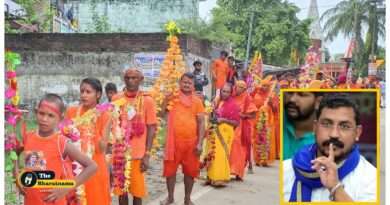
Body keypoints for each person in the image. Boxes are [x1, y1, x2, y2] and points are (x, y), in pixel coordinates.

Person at [284, 93, 377, 202]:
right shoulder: (287, 170)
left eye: (344, 126)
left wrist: (336, 188)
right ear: (315, 128)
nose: (334, 134)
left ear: (357, 133)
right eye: (327, 124)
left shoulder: (371, 179)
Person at [16, 93, 97, 205]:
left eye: (50, 116)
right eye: (41, 113)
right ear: (36, 112)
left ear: (60, 118)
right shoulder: (28, 138)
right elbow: (17, 156)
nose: (44, 119)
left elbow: (92, 166)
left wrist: (66, 188)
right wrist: (17, 178)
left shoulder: (62, 143)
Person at [110, 68, 158, 205]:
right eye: (128, 78)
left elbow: (151, 128)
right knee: (121, 192)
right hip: (119, 153)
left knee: (137, 192)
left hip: (138, 155)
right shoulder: (116, 99)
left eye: (134, 78)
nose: (130, 81)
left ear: (141, 80)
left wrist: (147, 155)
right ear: (124, 79)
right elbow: (112, 124)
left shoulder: (147, 100)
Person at [160, 72, 206, 205]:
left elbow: (202, 122)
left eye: (189, 83)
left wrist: (199, 143)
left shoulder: (197, 102)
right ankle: (170, 197)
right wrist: (165, 100)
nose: (186, 84)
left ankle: (187, 198)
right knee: (170, 171)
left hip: (191, 143)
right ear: (180, 83)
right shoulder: (172, 98)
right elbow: (161, 113)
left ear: (193, 85)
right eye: (184, 82)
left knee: (190, 172)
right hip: (173, 142)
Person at [65, 78, 111, 205]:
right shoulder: (71, 111)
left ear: (98, 94)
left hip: (95, 167)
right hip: (74, 166)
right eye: (82, 91)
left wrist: (96, 124)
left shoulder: (105, 115)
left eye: (88, 92)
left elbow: (101, 149)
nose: (83, 95)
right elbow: (63, 137)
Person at [205, 83, 240, 186]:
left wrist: (223, 120)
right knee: (212, 153)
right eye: (223, 91)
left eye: (227, 92)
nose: (225, 94)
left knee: (220, 155)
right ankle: (210, 177)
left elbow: (236, 123)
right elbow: (212, 114)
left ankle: (219, 178)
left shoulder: (233, 105)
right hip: (214, 131)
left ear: (231, 92)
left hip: (225, 133)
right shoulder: (217, 101)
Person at [283, 92, 323, 160]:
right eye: (289, 93)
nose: (292, 99)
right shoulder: (275, 117)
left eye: (301, 95)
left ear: (318, 102)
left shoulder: (324, 139)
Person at [230, 80, 257, 178]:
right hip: (230, 124)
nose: (238, 89)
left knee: (239, 147)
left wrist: (243, 115)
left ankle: (238, 171)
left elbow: (253, 113)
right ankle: (229, 169)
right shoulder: (231, 96)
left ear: (245, 89)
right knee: (230, 146)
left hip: (242, 127)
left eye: (241, 87)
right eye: (237, 86)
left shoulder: (247, 98)